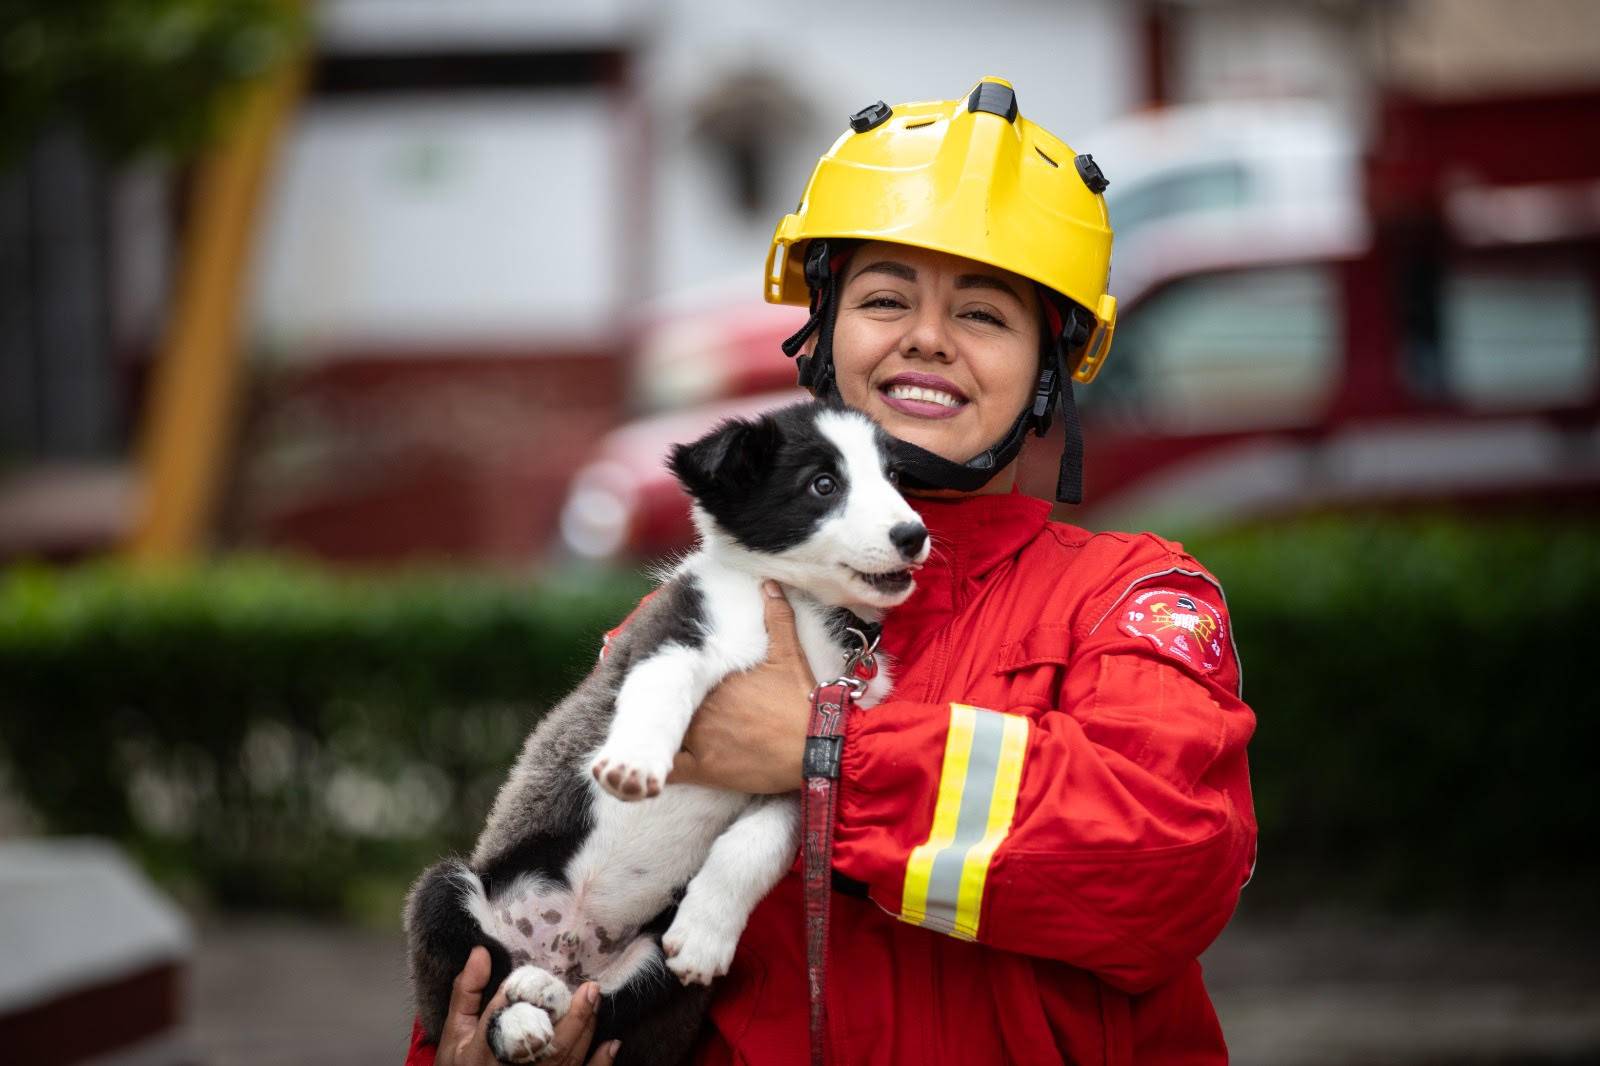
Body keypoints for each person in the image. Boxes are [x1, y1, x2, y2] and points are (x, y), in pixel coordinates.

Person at [405, 76, 1256, 1065]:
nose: (927, 336)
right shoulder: (695, 611)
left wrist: (824, 756)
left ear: (1050, 366)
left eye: (983, 313)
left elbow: (1168, 868)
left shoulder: (1125, 597)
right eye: (886, 297)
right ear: (821, 334)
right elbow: (548, 882)